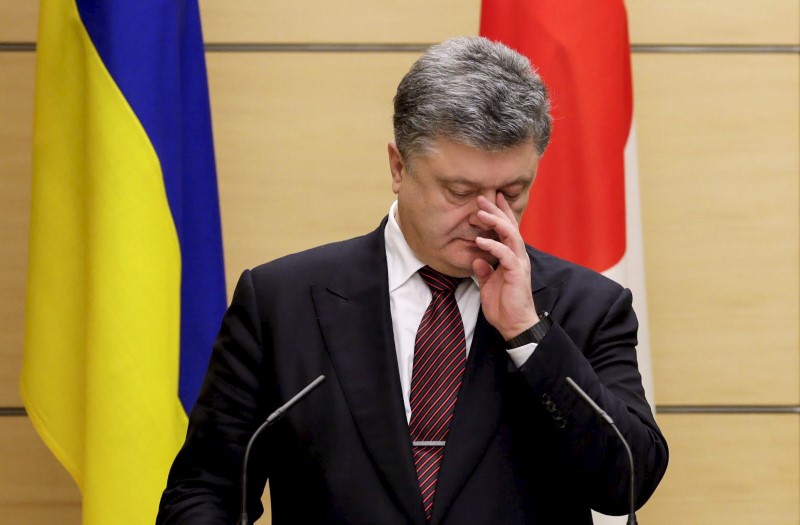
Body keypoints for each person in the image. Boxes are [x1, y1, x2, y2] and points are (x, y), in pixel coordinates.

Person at [157, 36, 668, 525]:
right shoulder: (281, 302)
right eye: (459, 191)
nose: (487, 217)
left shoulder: (589, 305)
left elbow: (627, 481)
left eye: (511, 193)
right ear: (399, 167)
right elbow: (206, 487)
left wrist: (528, 335)